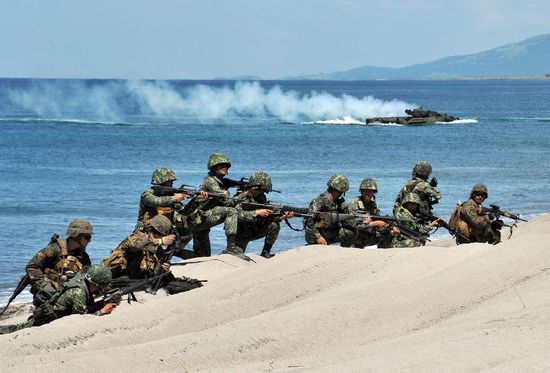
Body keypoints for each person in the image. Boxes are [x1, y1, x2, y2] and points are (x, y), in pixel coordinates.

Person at [0, 264, 116, 335]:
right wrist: (102, 311)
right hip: (49, 318)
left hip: (51, 311)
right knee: (17, 329)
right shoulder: (79, 292)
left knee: (20, 327)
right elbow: (80, 318)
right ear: (97, 283)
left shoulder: (82, 278)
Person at [185, 153, 248, 260]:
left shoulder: (219, 181)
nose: (225, 167)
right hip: (196, 220)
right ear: (213, 166)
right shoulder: (210, 181)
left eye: (227, 165)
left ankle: (173, 252)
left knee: (202, 257)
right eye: (221, 165)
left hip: (200, 221)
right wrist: (245, 194)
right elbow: (228, 201)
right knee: (231, 211)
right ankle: (231, 247)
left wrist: (243, 185)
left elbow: (229, 183)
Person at [26, 219, 93, 306]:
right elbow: (32, 266)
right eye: (87, 237)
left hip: (69, 294)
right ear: (76, 235)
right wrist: (46, 286)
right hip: (49, 295)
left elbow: (87, 275)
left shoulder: (83, 256)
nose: (89, 241)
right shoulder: (54, 249)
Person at [138, 167, 197, 259]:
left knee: (187, 225)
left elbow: (184, 211)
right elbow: (156, 201)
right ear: (161, 182)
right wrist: (173, 198)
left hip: (165, 230)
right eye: (170, 182)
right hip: (147, 231)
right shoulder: (147, 194)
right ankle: (168, 252)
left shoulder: (169, 195)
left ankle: (174, 251)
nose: (172, 185)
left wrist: (196, 201)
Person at [234, 172, 293, 259]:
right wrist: (256, 212)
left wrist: (280, 217)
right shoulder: (240, 197)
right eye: (260, 190)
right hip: (240, 233)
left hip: (254, 229)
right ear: (253, 187)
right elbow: (235, 215)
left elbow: (266, 216)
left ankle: (266, 252)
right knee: (235, 257)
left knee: (275, 225)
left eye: (264, 191)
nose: (261, 193)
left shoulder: (261, 197)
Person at [102, 215, 175, 280]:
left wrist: (165, 271)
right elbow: (136, 245)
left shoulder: (157, 248)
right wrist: (160, 241)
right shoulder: (137, 237)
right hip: (113, 276)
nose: (155, 235)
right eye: (153, 231)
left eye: (159, 234)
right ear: (149, 228)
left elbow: (156, 272)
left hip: (134, 280)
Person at [340, 178, 390, 248]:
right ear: (361, 192)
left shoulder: (373, 206)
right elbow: (353, 225)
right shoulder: (354, 205)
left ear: (374, 192)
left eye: (370, 191)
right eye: (365, 191)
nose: (367, 193)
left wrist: (385, 226)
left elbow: (376, 222)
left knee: (388, 232)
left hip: (367, 235)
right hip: (355, 235)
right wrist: (375, 223)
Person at [304, 174, 350, 245]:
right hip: (315, 234)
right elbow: (309, 221)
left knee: (350, 232)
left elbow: (346, 218)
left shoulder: (337, 202)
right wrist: (318, 237)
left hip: (328, 232)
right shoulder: (320, 200)